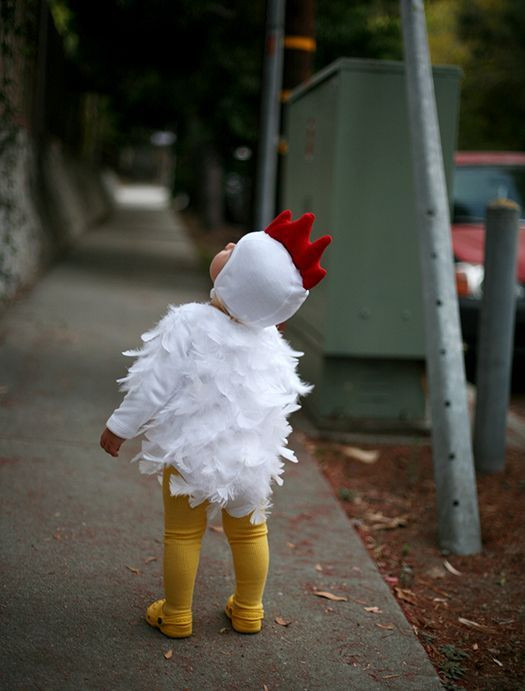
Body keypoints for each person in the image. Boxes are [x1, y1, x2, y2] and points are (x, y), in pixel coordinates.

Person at [100, 209, 331, 638]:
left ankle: (177, 615)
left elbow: (153, 385)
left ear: (238, 281)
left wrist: (119, 426)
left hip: (190, 455)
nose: (226, 247)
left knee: (183, 536)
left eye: (234, 252)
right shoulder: (271, 341)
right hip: (249, 462)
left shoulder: (188, 323)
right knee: (249, 534)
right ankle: (248, 610)